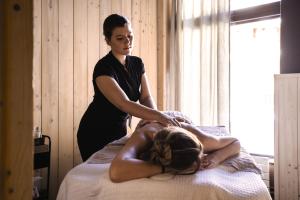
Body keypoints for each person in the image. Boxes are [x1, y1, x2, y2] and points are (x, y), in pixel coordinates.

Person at [77, 14, 180, 161]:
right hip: (95, 131)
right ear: (108, 40)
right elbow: (123, 103)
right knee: (101, 174)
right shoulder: (103, 68)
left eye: (130, 36)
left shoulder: (137, 63)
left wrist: (154, 119)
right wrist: (159, 116)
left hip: (119, 129)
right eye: (120, 38)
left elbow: (145, 97)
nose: (127, 41)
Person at [109, 120, 241, 183]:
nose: (202, 157)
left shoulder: (202, 140)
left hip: (175, 122)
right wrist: (167, 168)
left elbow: (235, 142)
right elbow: (116, 172)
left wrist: (216, 157)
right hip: (151, 123)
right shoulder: (144, 135)